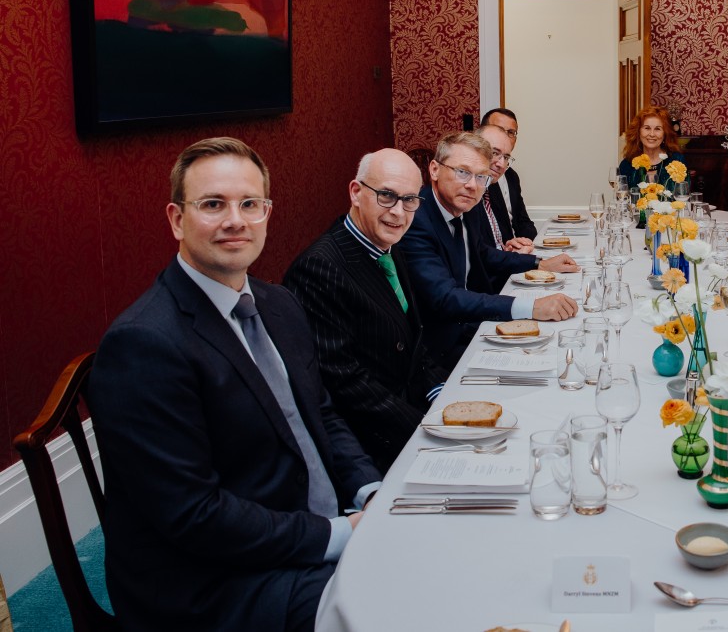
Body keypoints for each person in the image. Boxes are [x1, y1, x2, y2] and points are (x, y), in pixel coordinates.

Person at [88, 138, 381, 632]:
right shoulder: (143, 344)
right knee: (392, 608)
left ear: (267, 212)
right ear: (177, 220)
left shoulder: (279, 304)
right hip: (212, 582)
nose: (235, 220)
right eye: (212, 205)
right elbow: (195, 516)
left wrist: (371, 491)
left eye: (250, 204)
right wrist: (337, 535)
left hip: (297, 527)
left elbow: (323, 414)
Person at [283, 148, 445, 473]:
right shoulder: (321, 268)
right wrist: (428, 430)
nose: (399, 212)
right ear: (356, 193)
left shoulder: (387, 246)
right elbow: (345, 383)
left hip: (411, 413)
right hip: (371, 446)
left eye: (410, 200)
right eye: (387, 196)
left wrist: (443, 396)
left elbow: (414, 342)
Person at [404, 132, 578, 368]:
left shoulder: (467, 206)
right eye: (462, 172)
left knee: (563, 348)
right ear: (434, 170)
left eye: (481, 177)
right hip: (440, 349)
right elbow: (444, 298)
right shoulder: (416, 219)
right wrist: (531, 307)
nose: (471, 185)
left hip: (473, 324)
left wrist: (539, 263)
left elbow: (483, 254)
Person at [467, 123, 535, 254]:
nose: (501, 164)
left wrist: (507, 249)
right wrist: (536, 262)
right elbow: (479, 257)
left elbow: (489, 249)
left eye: (506, 157)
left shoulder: (489, 187)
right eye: (494, 153)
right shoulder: (466, 194)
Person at [481, 107, 537, 240]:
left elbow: (523, 221)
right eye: (499, 129)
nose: (505, 136)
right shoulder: (478, 180)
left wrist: (531, 245)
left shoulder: (511, 176)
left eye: (511, 132)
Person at [616, 104, 687, 189]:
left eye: (657, 129)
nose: (652, 134)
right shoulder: (627, 164)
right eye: (647, 128)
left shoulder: (677, 161)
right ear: (638, 132)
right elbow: (621, 197)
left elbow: (683, 194)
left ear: (665, 134)